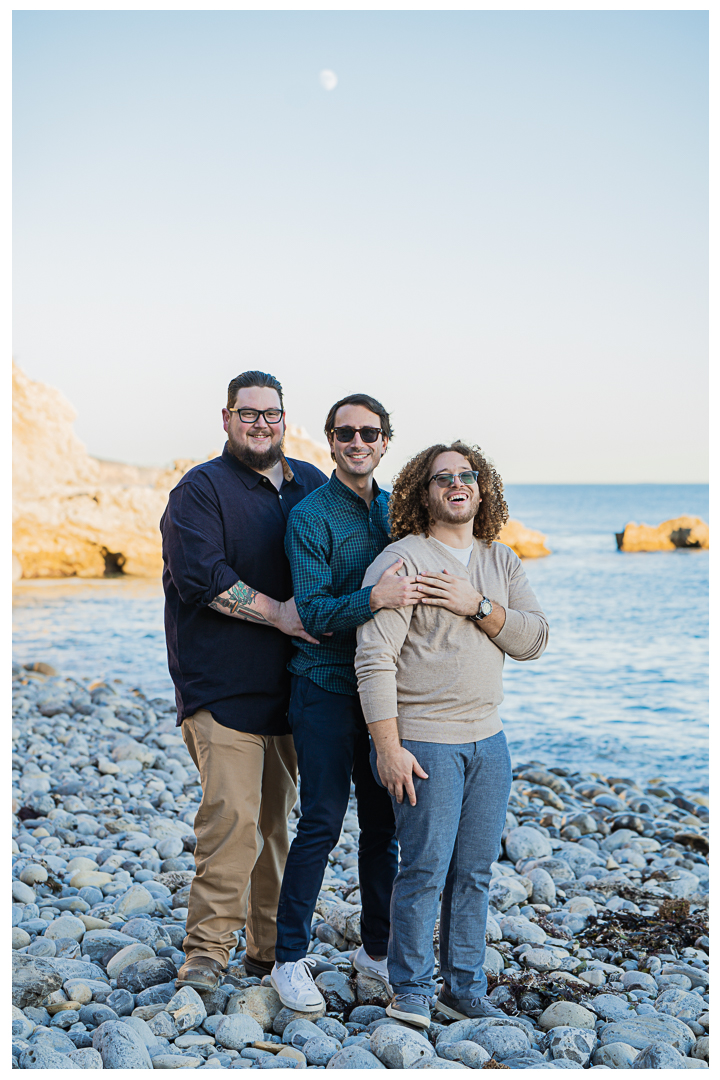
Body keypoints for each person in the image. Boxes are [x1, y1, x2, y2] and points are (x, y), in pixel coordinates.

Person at [355, 440, 549, 1029]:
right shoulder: (403, 561)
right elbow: (374, 659)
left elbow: (533, 639)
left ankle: (464, 987)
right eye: (443, 478)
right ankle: (410, 990)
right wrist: (388, 748)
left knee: (476, 872)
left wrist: (476, 603)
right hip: (425, 742)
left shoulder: (501, 561)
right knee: (423, 869)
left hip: (490, 742)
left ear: (481, 488)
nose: (457, 484)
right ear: (424, 492)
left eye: (466, 476)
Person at [160, 370, 329, 991]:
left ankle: (268, 951)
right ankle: (206, 956)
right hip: (220, 689)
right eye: (248, 412)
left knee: (277, 828)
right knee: (231, 824)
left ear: (285, 419)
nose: (261, 423)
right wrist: (280, 613)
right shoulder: (199, 491)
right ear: (227, 418)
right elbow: (201, 577)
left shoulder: (310, 485)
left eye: (272, 413)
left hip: (293, 694)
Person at [269, 393, 422, 1012]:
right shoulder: (309, 518)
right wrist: (376, 600)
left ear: (386, 441)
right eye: (346, 433)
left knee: (384, 829)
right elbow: (311, 614)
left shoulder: (397, 513)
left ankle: (376, 953)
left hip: (384, 695)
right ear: (329, 441)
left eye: (370, 433)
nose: (358, 443)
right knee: (323, 823)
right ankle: (288, 959)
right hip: (325, 688)